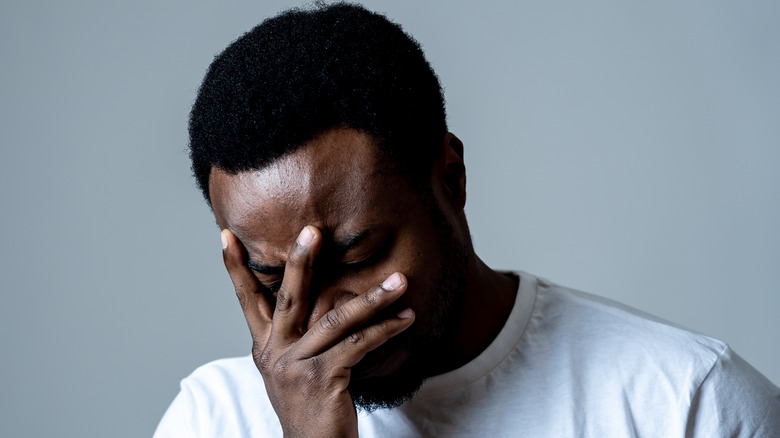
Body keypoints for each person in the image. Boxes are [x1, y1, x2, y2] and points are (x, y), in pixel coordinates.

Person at [155, 3, 780, 437]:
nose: (322, 320)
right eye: (274, 281)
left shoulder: (688, 404)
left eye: (355, 257)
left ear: (449, 178)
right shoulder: (213, 419)